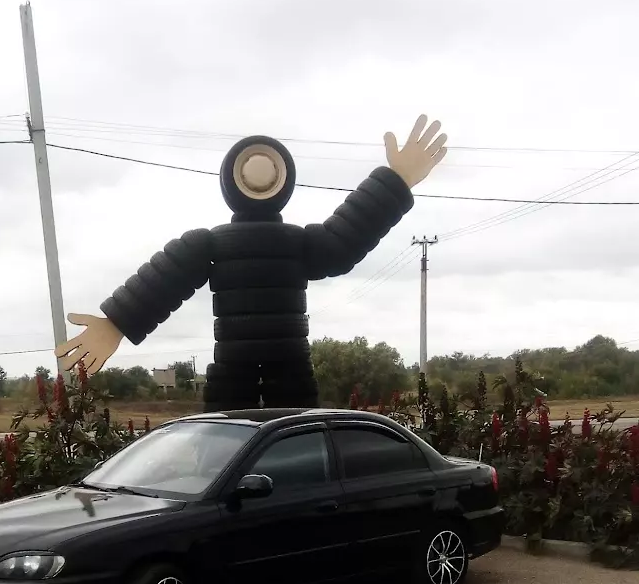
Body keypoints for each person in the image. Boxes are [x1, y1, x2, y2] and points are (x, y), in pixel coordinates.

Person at [56, 116, 447, 410]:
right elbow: (344, 240)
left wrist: (116, 323)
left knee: (230, 442)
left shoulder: (208, 243)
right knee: (287, 439)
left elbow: (165, 278)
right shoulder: (298, 243)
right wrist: (396, 180)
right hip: (286, 367)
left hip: (237, 366)